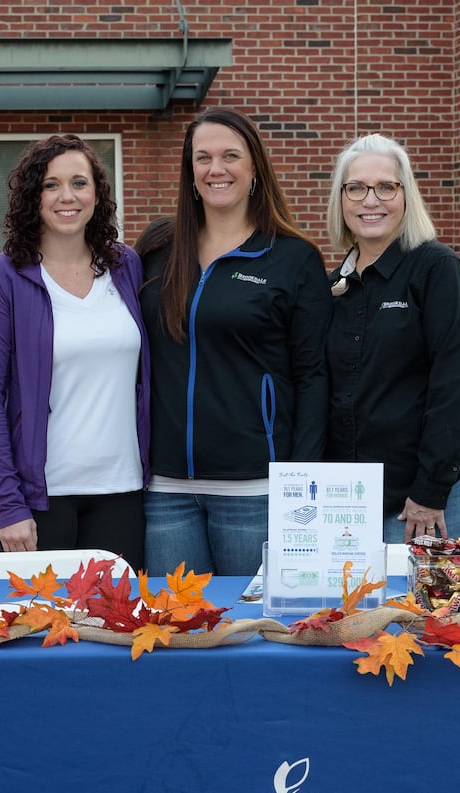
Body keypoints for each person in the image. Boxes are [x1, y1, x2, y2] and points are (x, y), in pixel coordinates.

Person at [135, 107, 330, 577]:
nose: (215, 169)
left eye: (230, 156)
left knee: (252, 631)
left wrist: (298, 478)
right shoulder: (157, 250)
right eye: (202, 157)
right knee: (173, 633)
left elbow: (313, 376)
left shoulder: (292, 258)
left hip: (254, 489)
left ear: (254, 168)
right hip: (165, 489)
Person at [0, 134, 149, 564]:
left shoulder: (126, 268)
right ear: (33, 197)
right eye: (51, 184)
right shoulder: (2, 279)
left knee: (116, 626)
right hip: (42, 500)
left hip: (122, 490)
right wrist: (7, 503)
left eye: (79, 183)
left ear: (97, 194)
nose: (67, 196)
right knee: (43, 627)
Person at [322, 133, 460, 567]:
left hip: (438, 491)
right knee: (375, 620)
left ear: (406, 196)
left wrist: (428, 492)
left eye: (386, 187)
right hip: (366, 494)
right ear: (341, 200)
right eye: (357, 188)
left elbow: (456, 387)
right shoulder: (335, 286)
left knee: (435, 620)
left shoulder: (438, 270)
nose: (371, 200)